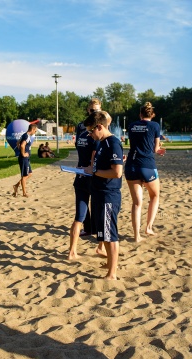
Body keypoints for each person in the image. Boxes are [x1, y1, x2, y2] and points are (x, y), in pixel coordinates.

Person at [83, 111, 124, 280]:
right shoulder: (102, 143)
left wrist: (95, 171)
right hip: (99, 193)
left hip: (108, 195)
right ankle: (109, 263)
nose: (90, 135)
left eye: (91, 131)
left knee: (110, 234)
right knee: (104, 234)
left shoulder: (112, 143)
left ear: (100, 126)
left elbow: (117, 173)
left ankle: (112, 273)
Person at [125, 102, 166, 242]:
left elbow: (133, 143)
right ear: (152, 114)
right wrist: (160, 150)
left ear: (140, 114)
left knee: (137, 203)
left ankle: (136, 236)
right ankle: (148, 227)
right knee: (154, 196)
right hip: (146, 165)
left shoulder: (131, 125)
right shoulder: (155, 126)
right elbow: (155, 149)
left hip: (131, 165)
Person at [68, 100, 98, 260]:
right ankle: (100, 246)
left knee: (81, 214)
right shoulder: (90, 130)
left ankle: (72, 251)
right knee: (95, 212)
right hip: (88, 174)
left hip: (81, 173)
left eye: (97, 110)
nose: (94, 112)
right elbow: (93, 154)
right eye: (92, 110)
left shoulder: (93, 129)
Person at [12, 124, 38, 197]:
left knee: (29, 174)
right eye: (35, 131)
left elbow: (18, 143)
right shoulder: (26, 136)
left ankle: (16, 186)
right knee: (24, 176)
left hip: (26, 158)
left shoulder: (24, 135)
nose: (35, 132)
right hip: (24, 158)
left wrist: (20, 149)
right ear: (32, 129)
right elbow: (22, 145)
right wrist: (23, 153)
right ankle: (24, 193)